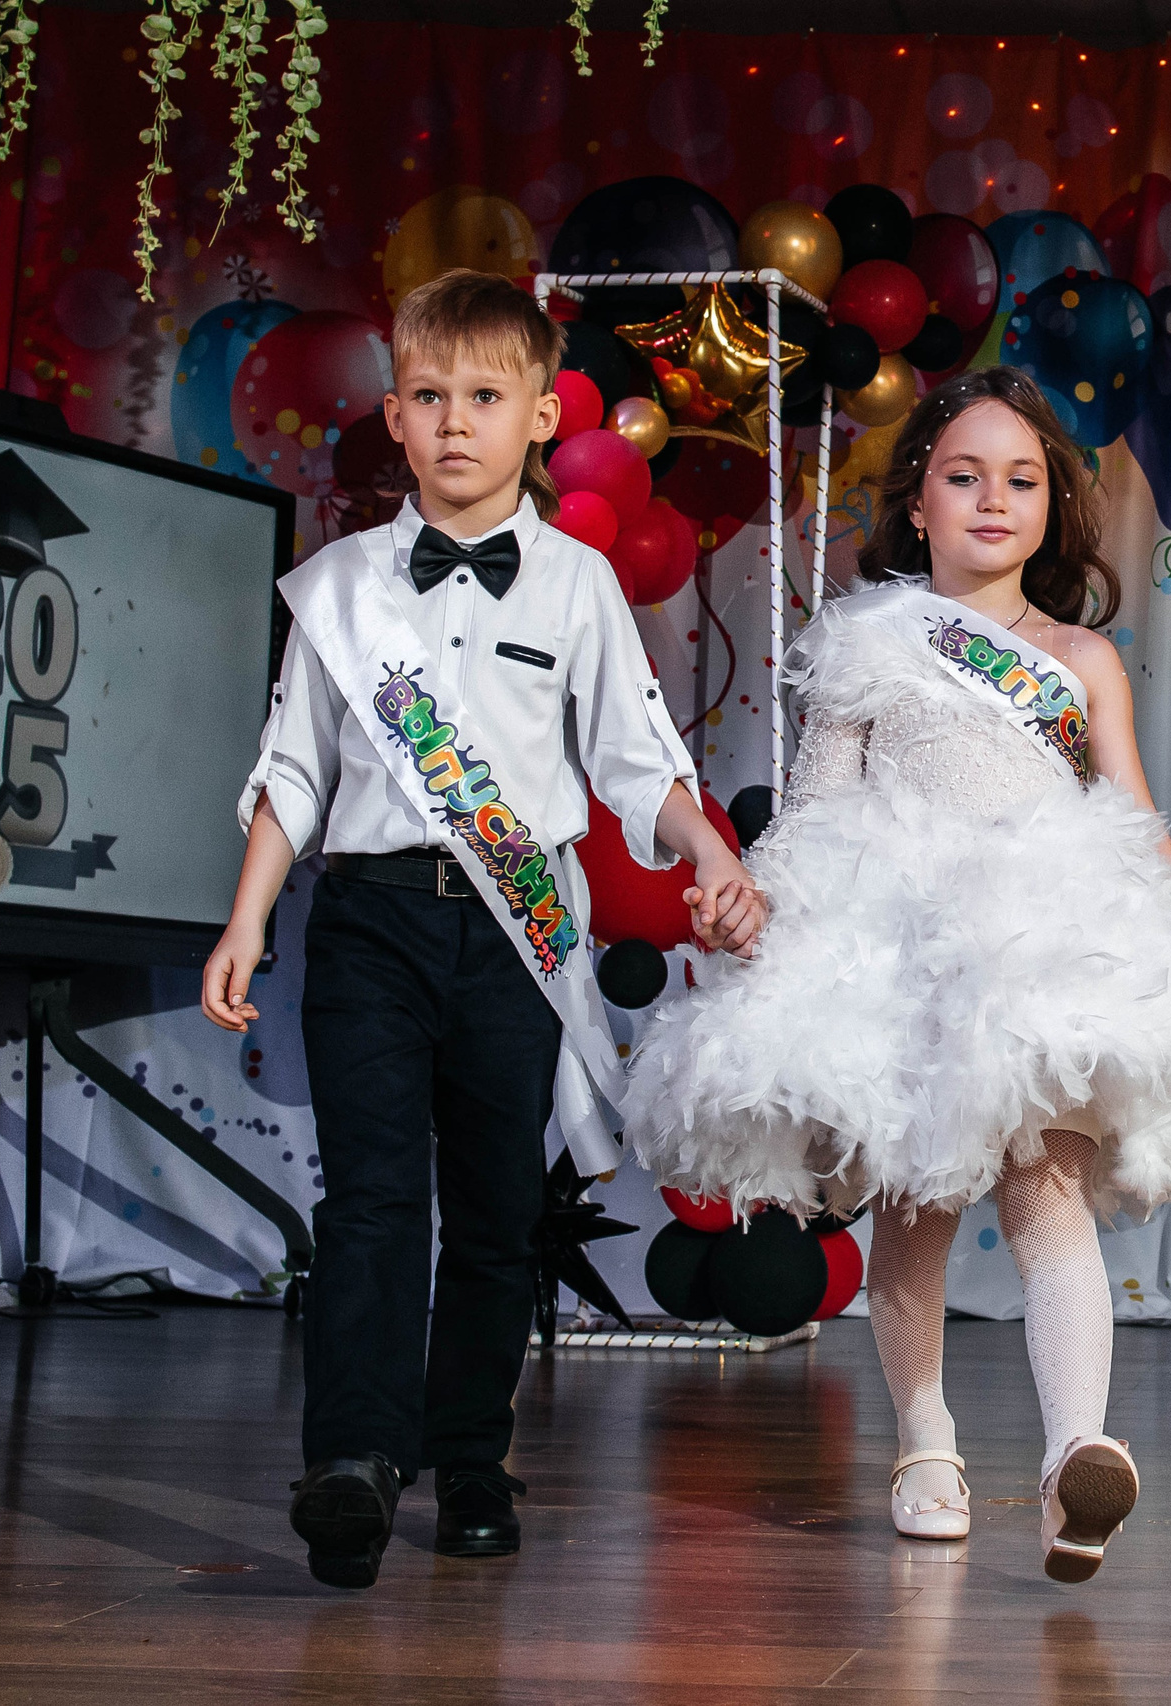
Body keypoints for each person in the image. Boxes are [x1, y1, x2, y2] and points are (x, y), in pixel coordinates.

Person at [627, 366, 1171, 1584]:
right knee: (916, 1208)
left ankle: (1070, 1458)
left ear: (1052, 510)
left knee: (1050, 1191)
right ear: (919, 503)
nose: (994, 497)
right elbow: (818, 813)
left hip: (1039, 938)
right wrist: (753, 907)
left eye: (1022, 478)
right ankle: (924, 1443)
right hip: (902, 944)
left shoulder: (1084, 656)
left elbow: (1133, 814)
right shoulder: (868, 642)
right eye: (964, 474)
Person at [201, 268, 765, 1591]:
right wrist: (246, 918)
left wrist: (711, 853)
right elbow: (292, 768)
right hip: (370, 924)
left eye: (486, 398)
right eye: (433, 397)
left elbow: (636, 761)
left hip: (516, 935)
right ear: (394, 417)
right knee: (374, 1199)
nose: (457, 422)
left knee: (499, 1212)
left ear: (536, 419)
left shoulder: (575, 586)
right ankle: (350, 1459)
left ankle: (468, 1458)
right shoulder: (336, 587)